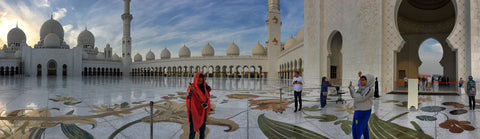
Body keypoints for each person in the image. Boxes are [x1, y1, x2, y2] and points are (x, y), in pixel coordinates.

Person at [348, 74, 374, 139]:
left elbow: (360, 98)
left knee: (358, 130)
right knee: (361, 128)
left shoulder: (369, 90)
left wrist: (353, 90)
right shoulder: (360, 89)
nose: (361, 81)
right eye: (360, 80)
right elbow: (353, 96)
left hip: (364, 112)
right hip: (357, 111)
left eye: (363, 80)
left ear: (368, 81)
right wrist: (351, 89)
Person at [186, 73, 211, 139]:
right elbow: (188, 97)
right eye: (198, 81)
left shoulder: (204, 87)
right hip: (194, 113)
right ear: (195, 80)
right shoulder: (192, 87)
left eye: (201, 81)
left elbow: (207, 96)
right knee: (192, 132)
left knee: (202, 133)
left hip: (203, 112)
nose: (200, 82)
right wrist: (191, 90)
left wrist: (206, 104)